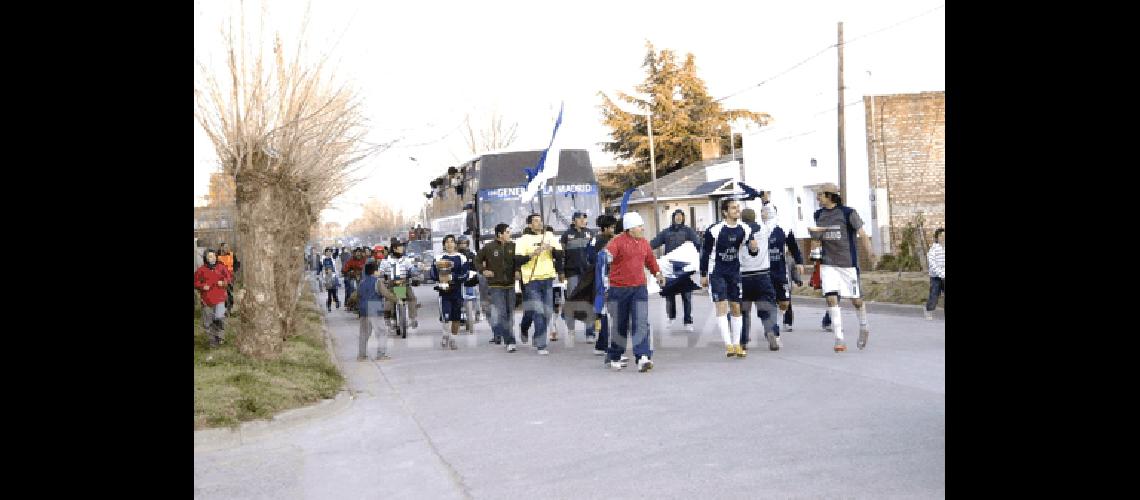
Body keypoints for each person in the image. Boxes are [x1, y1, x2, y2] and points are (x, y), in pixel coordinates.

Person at [801, 182, 873, 352]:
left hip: (847, 264)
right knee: (831, 298)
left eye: (820, 195)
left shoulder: (848, 213)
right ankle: (839, 338)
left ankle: (864, 326)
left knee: (856, 301)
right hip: (828, 264)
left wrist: (870, 253)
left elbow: (862, 234)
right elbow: (818, 236)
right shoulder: (818, 214)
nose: (817, 198)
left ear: (829, 195)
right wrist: (814, 247)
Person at [603, 212, 665, 372]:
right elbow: (607, 256)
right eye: (639, 226)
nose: (642, 228)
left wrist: (657, 273)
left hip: (639, 288)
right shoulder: (617, 241)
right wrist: (607, 255)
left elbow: (650, 260)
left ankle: (643, 356)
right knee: (620, 324)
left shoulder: (644, 243)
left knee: (641, 322)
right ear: (630, 228)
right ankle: (614, 355)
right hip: (619, 289)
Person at [701, 199, 762, 358]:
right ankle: (728, 344)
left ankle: (737, 344)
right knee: (721, 305)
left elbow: (752, 250)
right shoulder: (714, 230)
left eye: (738, 208)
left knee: (736, 307)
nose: (737, 210)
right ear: (724, 212)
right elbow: (705, 253)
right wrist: (702, 274)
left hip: (734, 272)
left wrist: (754, 248)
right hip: (717, 272)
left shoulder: (745, 229)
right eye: (733, 208)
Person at [514, 214, 564, 355]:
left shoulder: (549, 235)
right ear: (530, 224)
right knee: (538, 311)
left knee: (548, 312)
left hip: (548, 278)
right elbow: (518, 260)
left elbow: (560, 255)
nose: (539, 223)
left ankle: (536, 335)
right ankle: (541, 344)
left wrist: (552, 249)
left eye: (540, 220)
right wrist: (533, 254)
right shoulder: (523, 240)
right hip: (531, 280)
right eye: (535, 221)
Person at [569, 214, 617, 353]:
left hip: (611, 279)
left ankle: (602, 344)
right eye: (612, 227)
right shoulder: (597, 240)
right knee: (604, 312)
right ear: (605, 228)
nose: (613, 229)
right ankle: (601, 343)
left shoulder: (614, 239)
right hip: (600, 280)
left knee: (606, 313)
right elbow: (590, 258)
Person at [650, 209, 702, 332]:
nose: (679, 218)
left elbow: (697, 244)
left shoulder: (688, 231)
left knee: (687, 294)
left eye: (681, 216)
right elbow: (654, 243)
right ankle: (671, 317)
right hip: (670, 267)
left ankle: (688, 321)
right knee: (670, 293)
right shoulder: (666, 232)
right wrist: (643, 248)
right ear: (673, 217)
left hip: (685, 267)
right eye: (677, 216)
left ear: (683, 218)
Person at [475, 223, 525, 351]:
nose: (510, 234)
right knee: (502, 313)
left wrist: (518, 270)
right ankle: (510, 341)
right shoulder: (488, 248)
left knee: (510, 313)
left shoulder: (513, 246)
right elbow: (477, 260)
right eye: (507, 232)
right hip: (495, 286)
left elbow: (518, 261)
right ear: (500, 234)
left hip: (510, 285)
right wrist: (483, 270)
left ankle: (508, 336)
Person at [737, 207, 777, 354]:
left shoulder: (739, 232)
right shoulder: (764, 229)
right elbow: (772, 217)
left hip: (744, 276)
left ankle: (743, 341)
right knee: (765, 308)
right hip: (762, 275)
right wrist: (766, 203)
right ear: (755, 218)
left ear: (742, 218)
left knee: (744, 311)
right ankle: (770, 332)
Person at [763, 204, 804, 346]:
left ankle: (775, 324)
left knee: (784, 303)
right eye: (762, 212)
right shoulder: (758, 229)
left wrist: (799, 262)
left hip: (780, 270)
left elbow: (793, 246)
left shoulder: (783, 229)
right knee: (769, 303)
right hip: (764, 272)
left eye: (767, 211)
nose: (764, 214)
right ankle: (773, 330)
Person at [432, 235, 473, 350]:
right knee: (446, 316)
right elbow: (433, 273)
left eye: (451, 242)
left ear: (455, 244)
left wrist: (453, 277)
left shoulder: (461, 258)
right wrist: (438, 277)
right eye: (447, 242)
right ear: (444, 244)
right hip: (444, 292)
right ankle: (445, 334)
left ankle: (453, 339)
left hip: (457, 291)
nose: (449, 244)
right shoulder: (439, 257)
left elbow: (465, 274)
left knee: (456, 318)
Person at [560, 211, 595, 338]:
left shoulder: (590, 233)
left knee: (588, 300)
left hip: (587, 272)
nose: (583, 221)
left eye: (584, 219)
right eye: (580, 219)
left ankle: (590, 332)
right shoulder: (566, 235)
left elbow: (595, 252)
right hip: (572, 272)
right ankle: (570, 328)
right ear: (574, 220)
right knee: (572, 299)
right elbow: (561, 256)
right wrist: (561, 271)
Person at [195, 249, 234, 348]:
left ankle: (220, 337)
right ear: (205, 258)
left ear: (216, 257)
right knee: (208, 321)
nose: (211, 258)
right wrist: (202, 286)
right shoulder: (201, 270)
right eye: (208, 256)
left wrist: (224, 282)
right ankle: (212, 340)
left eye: (212, 256)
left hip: (220, 298)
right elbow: (195, 282)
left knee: (219, 318)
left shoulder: (221, 267)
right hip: (207, 300)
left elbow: (229, 278)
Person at [378, 240, 420, 329]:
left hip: (404, 283)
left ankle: (413, 318)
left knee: (412, 298)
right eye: (401, 248)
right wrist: (382, 280)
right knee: (389, 300)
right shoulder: (385, 261)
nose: (403, 249)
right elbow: (381, 273)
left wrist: (415, 275)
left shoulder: (406, 260)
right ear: (394, 249)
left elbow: (412, 269)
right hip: (391, 284)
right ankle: (389, 318)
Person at [357, 262, 390, 360]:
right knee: (382, 332)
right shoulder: (378, 282)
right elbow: (386, 294)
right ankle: (381, 354)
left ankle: (362, 355)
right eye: (378, 270)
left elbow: (357, 295)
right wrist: (397, 300)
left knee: (364, 333)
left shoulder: (362, 282)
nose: (379, 272)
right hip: (374, 306)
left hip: (363, 308)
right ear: (374, 272)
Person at [925, 228, 945, 320]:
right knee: (934, 295)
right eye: (941, 236)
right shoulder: (933, 249)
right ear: (936, 238)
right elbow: (932, 263)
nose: (943, 238)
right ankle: (929, 311)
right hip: (935, 276)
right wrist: (940, 273)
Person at [342, 248, 367, 313]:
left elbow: (369, 268)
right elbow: (345, 269)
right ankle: (350, 304)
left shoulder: (365, 260)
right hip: (353, 277)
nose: (358, 253)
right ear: (355, 253)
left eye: (359, 252)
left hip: (363, 278)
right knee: (352, 286)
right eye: (357, 252)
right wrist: (350, 272)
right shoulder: (351, 260)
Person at [216, 242, 239, 313]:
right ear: (221, 248)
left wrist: (234, 270)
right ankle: (223, 308)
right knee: (221, 293)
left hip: (230, 277)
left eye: (227, 247)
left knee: (230, 292)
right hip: (220, 278)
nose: (226, 249)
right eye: (225, 247)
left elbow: (237, 263)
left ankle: (230, 307)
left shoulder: (232, 255)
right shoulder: (217, 255)